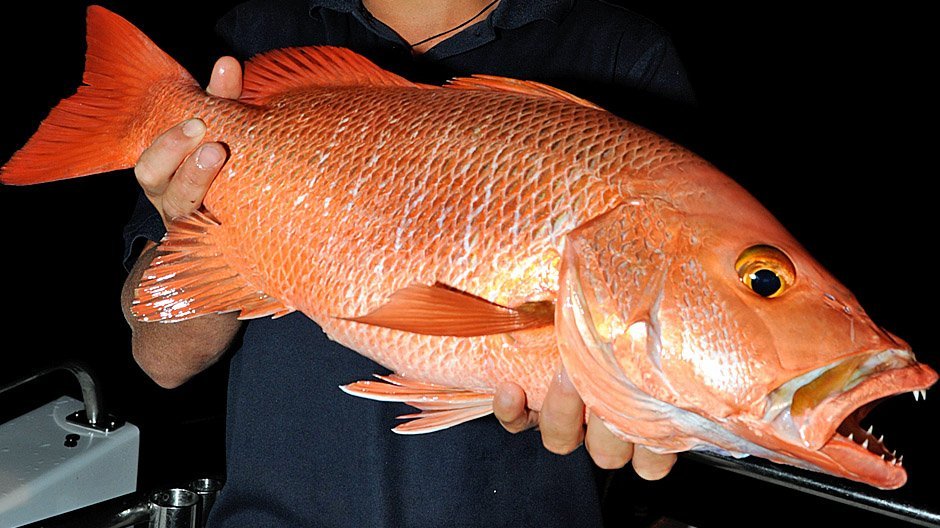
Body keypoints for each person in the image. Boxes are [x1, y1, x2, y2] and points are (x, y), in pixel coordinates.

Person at [122, 1, 695, 525]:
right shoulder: (262, 35)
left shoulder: (619, 52)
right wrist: (204, 219)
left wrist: (620, 393)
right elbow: (162, 359)